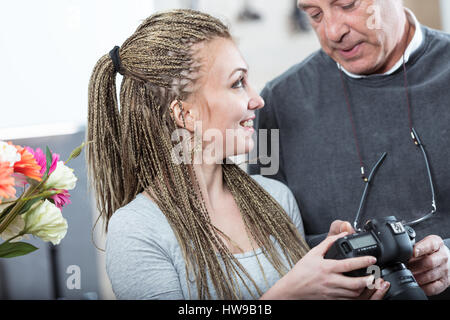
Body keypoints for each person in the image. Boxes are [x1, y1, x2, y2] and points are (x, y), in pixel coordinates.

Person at [86, 9, 389, 300]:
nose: (257, 99)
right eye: (237, 83)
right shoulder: (137, 231)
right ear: (184, 114)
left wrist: (339, 284)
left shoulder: (276, 199)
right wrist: (291, 293)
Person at [249, 0, 450, 298]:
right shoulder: (274, 105)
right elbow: (264, 236)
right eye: (315, 15)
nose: (332, 31)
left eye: (347, 4)